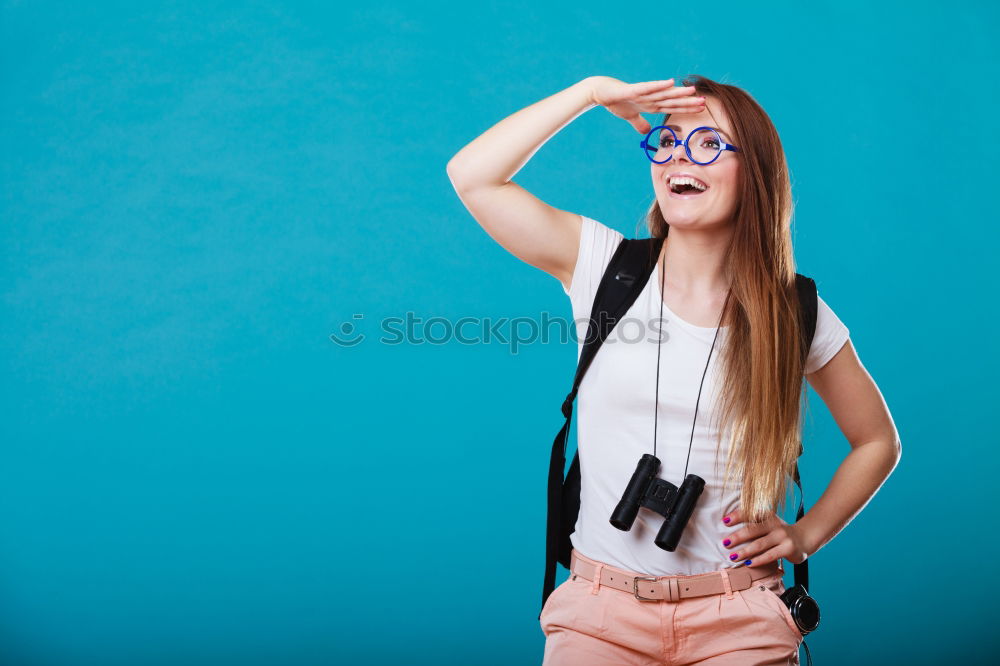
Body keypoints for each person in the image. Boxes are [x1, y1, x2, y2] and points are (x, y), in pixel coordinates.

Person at [446, 75, 901, 665]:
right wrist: (587, 95)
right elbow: (472, 176)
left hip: (738, 615)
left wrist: (804, 535)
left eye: (709, 143)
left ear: (756, 172)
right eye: (667, 140)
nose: (678, 157)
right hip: (599, 616)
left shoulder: (794, 310)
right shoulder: (605, 269)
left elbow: (876, 441)